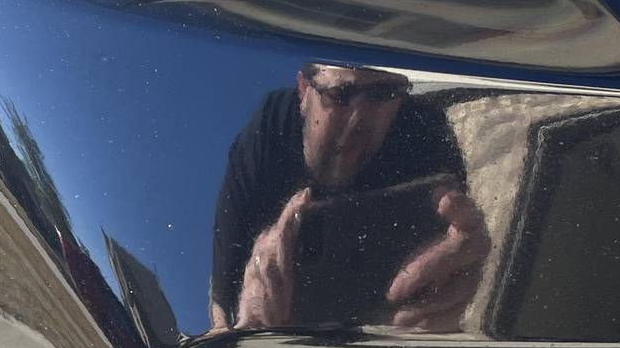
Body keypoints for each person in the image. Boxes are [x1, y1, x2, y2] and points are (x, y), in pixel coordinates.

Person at [210, 63, 491, 333]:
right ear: (304, 91)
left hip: (393, 337)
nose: (358, 121)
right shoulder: (272, 125)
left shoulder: (424, 132)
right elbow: (222, 294)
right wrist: (245, 309)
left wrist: (461, 287)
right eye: (340, 94)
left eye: (383, 93)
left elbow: (460, 240)